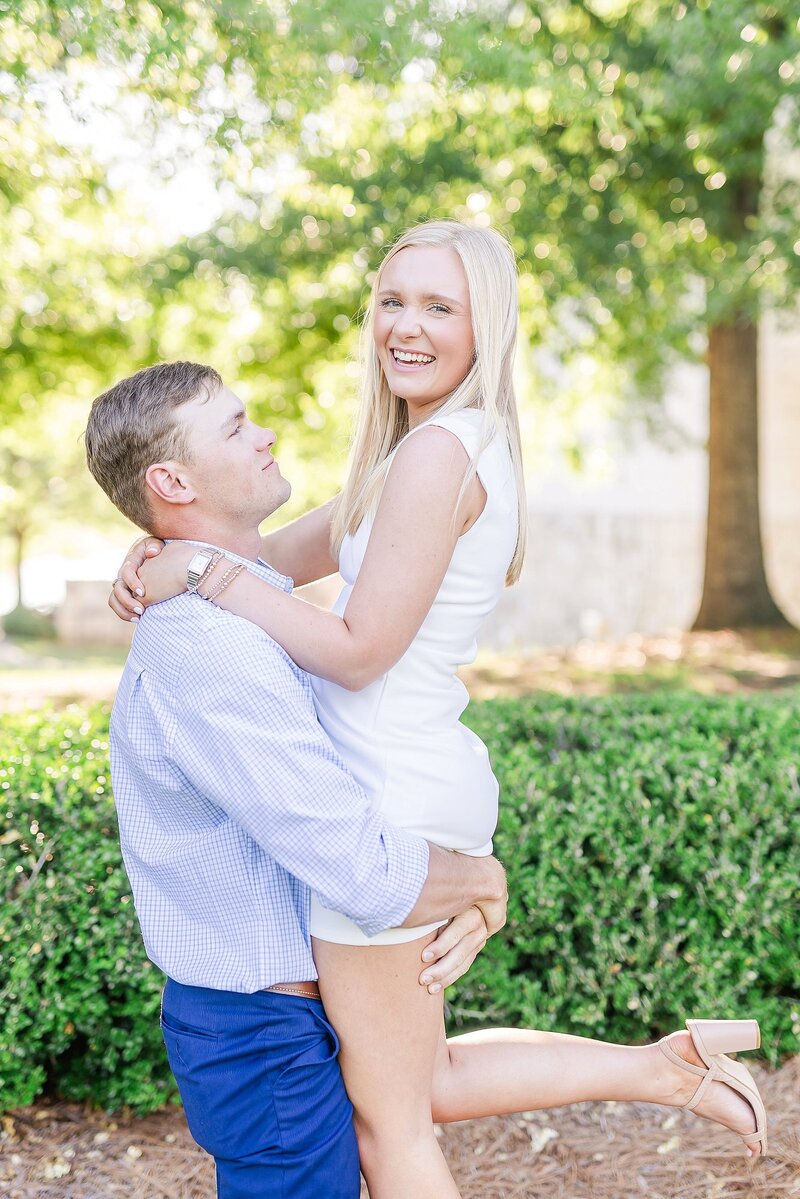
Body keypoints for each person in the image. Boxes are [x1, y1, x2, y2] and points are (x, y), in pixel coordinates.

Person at [111, 222, 767, 1196]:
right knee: (416, 1081)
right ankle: (666, 1065)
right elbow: (272, 555)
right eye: (392, 300)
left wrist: (207, 573)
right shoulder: (427, 446)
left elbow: (357, 648)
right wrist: (163, 554)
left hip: (385, 781)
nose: (404, 327)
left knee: (391, 1130)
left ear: (484, 325)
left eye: (438, 306)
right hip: (413, 764)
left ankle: (664, 1069)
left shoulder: (433, 456)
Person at [85, 357, 509, 1199]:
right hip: (263, 1031)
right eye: (236, 427)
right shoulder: (212, 649)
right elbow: (360, 868)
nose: (266, 432)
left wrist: (185, 558)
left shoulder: (242, 601)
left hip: (287, 1012)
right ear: (171, 477)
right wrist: (483, 879)